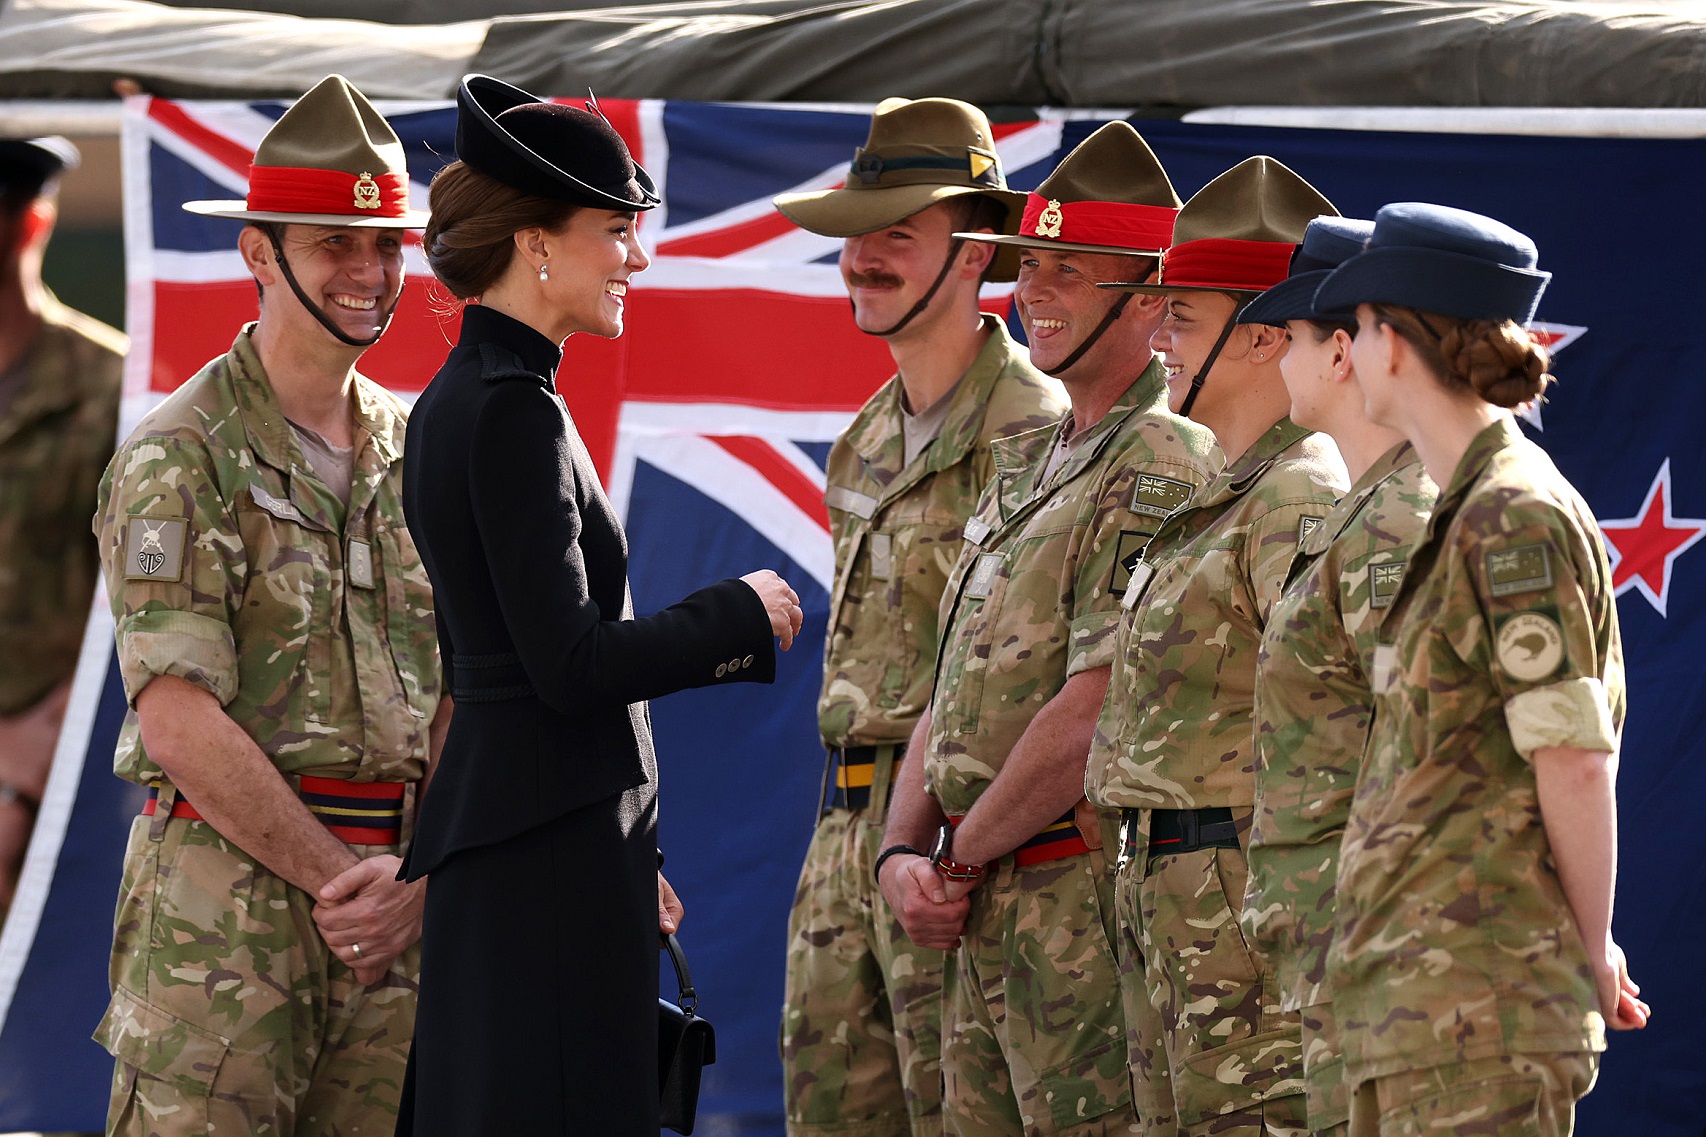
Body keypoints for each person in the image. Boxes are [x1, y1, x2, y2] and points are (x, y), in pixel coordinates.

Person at [396, 75, 804, 1137]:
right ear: (537, 243)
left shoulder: (479, 396)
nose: (638, 256)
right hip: (541, 861)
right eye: (616, 230)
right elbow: (566, 665)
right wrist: (737, 614)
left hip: (546, 837)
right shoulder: (507, 412)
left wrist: (638, 847)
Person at [90, 75, 447, 1135]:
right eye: (334, 242)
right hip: (226, 918)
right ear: (259, 252)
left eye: (384, 245)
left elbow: (462, 684)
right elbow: (177, 717)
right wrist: (351, 888)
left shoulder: (422, 448)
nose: (368, 272)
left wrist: (410, 888)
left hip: (394, 913)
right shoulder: (180, 455)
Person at [878, 121, 1221, 1137]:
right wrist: (903, 846)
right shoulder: (1025, 457)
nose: (1035, 290)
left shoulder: (1161, 455)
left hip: (1072, 906)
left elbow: (1098, 704)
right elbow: (945, 686)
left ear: (1150, 296)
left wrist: (954, 857)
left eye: (1069, 270)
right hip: (979, 901)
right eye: (1030, 264)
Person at [1311, 202, 1648, 1136]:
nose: (1349, 345)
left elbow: (1572, 756)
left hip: (1479, 1007)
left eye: (1360, 324)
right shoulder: (1467, 509)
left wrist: (1590, 948)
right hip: (1420, 1010)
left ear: (1392, 340)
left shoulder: (1510, 514)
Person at [771, 95, 1065, 1137]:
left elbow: (1037, 683)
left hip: (957, 853)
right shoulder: (863, 440)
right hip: (844, 831)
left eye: (899, 233)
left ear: (976, 250)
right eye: (858, 235)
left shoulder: (1036, 431)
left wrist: (946, 852)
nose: (864, 259)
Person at [1084, 156, 1349, 1136]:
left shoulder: (1296, 496)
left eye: (1179, 319)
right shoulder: (1221, 494)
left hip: (1243, 923)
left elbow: (1339, 730)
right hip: (1173, 910)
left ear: (1262, 340)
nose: (1152, 340)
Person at [1234, 216, 1438, 1137]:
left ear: (1344, 352)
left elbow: (1428, 751)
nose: (1274, 354)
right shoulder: (1364, 506)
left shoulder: (1400, 518)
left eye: (1295, 334)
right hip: (1332, 947)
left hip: (1381, 958)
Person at [0, 135, 125, 917]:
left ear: (29, 225)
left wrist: (16, 771)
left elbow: (131, 611)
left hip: (54, 788)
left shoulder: (115, 390)